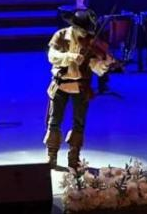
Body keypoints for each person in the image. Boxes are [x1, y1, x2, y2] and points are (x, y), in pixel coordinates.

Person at [44, 9, 114, 170]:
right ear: (75, 27)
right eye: (83, 30)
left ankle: (74, 156)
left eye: (87, 31)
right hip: (61, 84)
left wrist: (105, 64)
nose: (85, 34)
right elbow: (52, 56)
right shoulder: (61, 35)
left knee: (79, 123)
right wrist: (70, 56)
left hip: (81, 86)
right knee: (54, 120)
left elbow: (95, 67)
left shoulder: (90, 42)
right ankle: (51, 154)